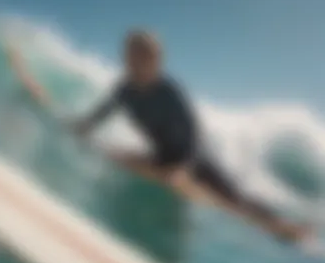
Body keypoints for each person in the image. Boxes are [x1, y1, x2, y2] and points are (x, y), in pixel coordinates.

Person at [72, 30, 311, 243]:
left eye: (149, 57)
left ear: (156, 60)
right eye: (133, 55)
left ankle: (288, 226)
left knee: (235, 199)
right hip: (162, 156)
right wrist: (82, 127)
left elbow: (193, 134)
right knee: (117, 154)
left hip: (194, 159)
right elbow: (101, 113)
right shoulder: (124, 89)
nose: (139, 62)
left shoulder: (169, 92)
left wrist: (182, 169)